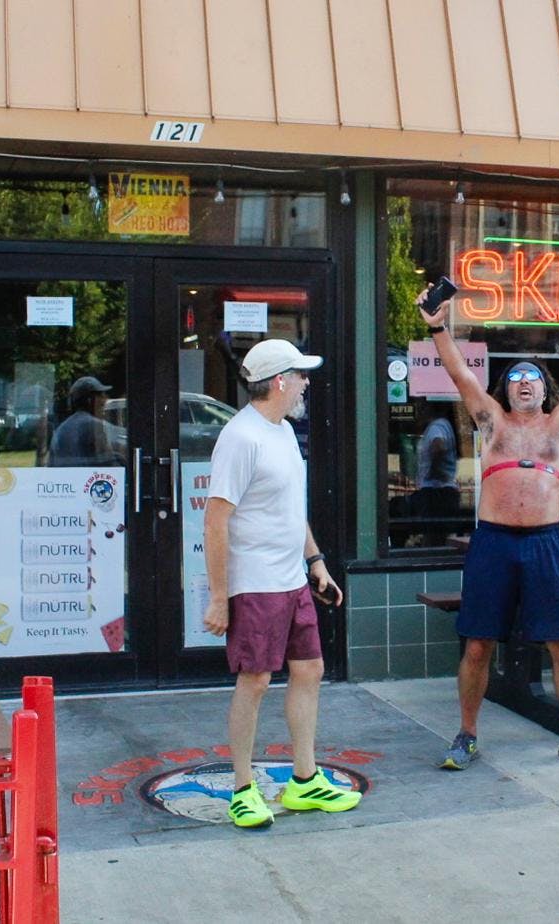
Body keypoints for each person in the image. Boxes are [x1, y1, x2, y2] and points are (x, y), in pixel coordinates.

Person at [418, 289, 559, 770]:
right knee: (478, 643)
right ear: (505, 388)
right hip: (493, 542)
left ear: (545, 390)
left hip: (544, 544)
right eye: (515, 377)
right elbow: (459, 373)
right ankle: (466, 735)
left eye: (532, 378)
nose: (523, 383)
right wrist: (438, 328)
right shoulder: (491, 423)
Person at [202, 338, 361, 828]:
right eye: (301, 376)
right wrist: (219, 597)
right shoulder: (241, 437)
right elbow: (215, 520)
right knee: (255, 680)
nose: (306, 384)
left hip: (292, 579)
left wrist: (315, 561)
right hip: (254, 584)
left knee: (309, 670)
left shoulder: (284, 433)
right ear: (279, 382)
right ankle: (242, 788)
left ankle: (305, 780)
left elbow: (291, 510)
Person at [408, 410, 460, 544]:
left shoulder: (436, 427)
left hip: (435, 491)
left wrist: (436, 471)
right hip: (440, 490)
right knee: (437, 536)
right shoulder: (442, 425)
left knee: (432, 535)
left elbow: (438, 445)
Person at [48, 375, 123, 467]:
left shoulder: (60, 430)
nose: (105, 400)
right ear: (89, 400)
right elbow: (110, 465)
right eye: (100, 395)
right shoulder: (95, 426)